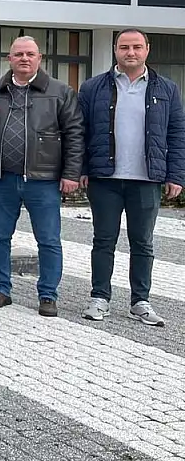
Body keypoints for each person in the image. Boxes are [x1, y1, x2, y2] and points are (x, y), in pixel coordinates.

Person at [79, 29, 185, 326]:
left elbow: (177, 134)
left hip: (147, 179)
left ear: (147, 50)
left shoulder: (167, 89)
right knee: (103, 240)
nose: (131, 52)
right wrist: (82, 169)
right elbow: (80, 132)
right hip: (105, 178)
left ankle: (140, 301)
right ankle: (99, 297)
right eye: (124, 47)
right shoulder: (92, 88)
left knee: (143, 243)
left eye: (137, 47)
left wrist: (175, 174)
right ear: (115, 50)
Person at [0, 36, 83, 317]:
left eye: (30, 54)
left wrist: (71, 173)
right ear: (9, 59)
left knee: (48, 240)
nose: (24, 58)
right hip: (3, 179)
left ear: (40, 58)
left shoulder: (60, 92)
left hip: (43, 180)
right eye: (18, 54)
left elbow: (74, 134)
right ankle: (1, 289)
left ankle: (48, 294)